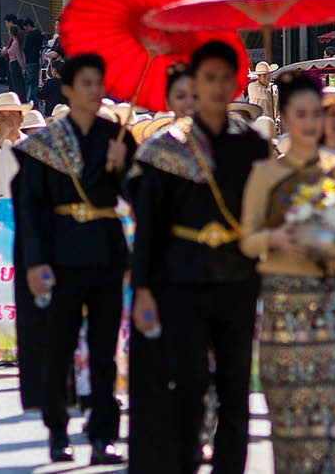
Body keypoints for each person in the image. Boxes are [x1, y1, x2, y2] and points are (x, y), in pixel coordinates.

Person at [129, 42, 269, 474]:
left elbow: (268, 214)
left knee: (234, 384)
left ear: (234, 85)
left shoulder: (253, 147)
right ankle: (186, 460)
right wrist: (144, 289)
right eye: (206, 78)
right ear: (195, 83)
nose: (215, 87)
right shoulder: (167, 148)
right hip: (180, 279)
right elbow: (148, 226)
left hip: (238, 279)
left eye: (223, 78)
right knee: (188, 380)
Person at [14, 55, 134, 465]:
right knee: (59, 346)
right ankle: (57, 431)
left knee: (104, 350)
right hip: (61, 255)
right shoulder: (47, 143)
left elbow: (134, 196)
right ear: (67, 89)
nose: (95, 91)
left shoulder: (118, 136)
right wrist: (35, 262)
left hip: (106, 251)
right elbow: (30, 208)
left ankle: (104, 435)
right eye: (86, 83)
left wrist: (124, 169)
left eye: (99, 83)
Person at [240, 71, 335, 472]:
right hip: (283, 305)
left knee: (333, 423)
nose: (309, 123)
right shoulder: (266, 173)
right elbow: (247, 240)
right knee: (289, 426)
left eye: (315, 114)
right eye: (300, 115)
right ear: (285, 119)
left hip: (334, 307)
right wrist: (278, 239)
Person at [21, 18, 44, 104]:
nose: (25, 30)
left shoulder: (30, 36)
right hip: (36, 60)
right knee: (34, 84)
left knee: (28, 83)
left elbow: (26, 49)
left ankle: (27, 102)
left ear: (29, 26)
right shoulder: (39, 34)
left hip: (29, 61)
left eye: (26, 28)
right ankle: (34, 102)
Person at [5, 17, 26, 98]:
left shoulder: (15, 43)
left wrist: (22, 67)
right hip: (13, 64)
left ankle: (20, 99)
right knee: (15, 84)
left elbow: (19, 56)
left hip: (15, 64)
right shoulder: (15, 42)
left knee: (18, 84)